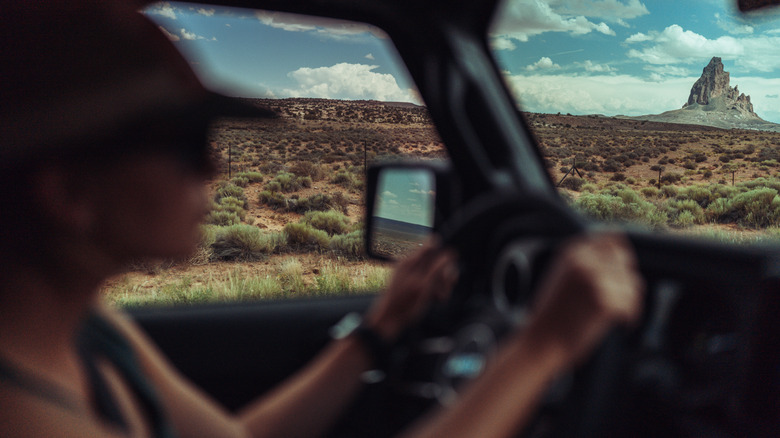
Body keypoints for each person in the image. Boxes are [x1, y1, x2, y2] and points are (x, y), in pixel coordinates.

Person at [0, 1, 643, 437]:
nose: (215, 168)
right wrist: (542, 348)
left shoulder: (90, 330)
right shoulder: (24, 417)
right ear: (70, 193)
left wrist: (380, 329)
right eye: (189, 143)